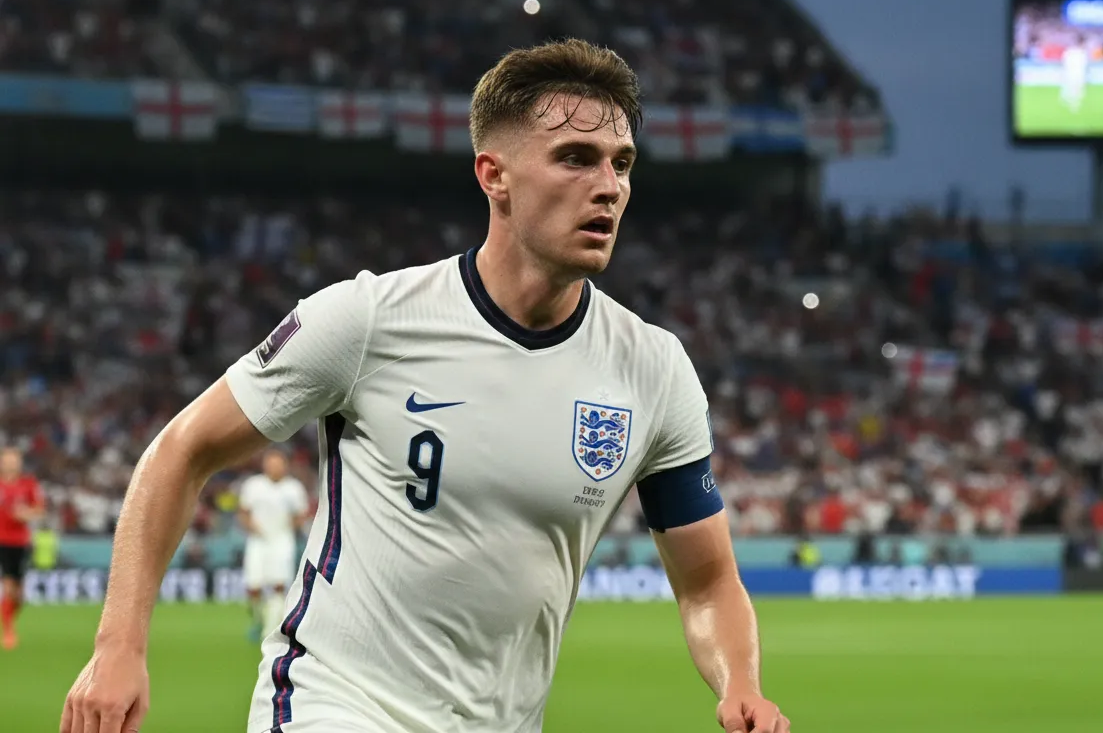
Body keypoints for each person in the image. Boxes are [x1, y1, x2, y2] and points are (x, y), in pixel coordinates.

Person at [61, 38, 789, 733]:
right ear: (493, 175)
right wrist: (118, 645)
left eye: (622, 163)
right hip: (331, 703)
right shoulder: (368, 320)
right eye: (576, 158)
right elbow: (182, 449)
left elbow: (707, 582)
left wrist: (741, 684)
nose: (608, 187)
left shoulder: (653, 369)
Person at [237, 449, 308, 643]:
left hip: (282, 540)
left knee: (278, 584)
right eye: (271, 463)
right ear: (265, 465)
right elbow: (243, 511)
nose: (274, 467)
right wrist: (251, 526)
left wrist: (288, 528)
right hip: (258, 541)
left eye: (278, 463)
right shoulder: (253, 485)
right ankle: (258, 620)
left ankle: (271, 628)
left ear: (284, 465)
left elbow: (301, 514)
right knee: (254, 587)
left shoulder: (294, 488)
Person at [0, 446, 45, 650]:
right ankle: (8, 632)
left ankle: (8, 619)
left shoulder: (28, 484)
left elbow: (39, 510)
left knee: (20, 595)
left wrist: (25, 514)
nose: (11, 463)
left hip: (21, 542)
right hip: (3, 541)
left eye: (14, 460)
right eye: (7, 460)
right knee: (9, 586)